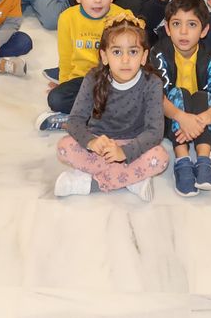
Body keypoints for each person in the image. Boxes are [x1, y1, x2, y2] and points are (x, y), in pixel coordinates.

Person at [53, 21, 169, 200]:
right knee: (63, 147)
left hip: (133, 144)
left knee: (160, 158)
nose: (125, 60)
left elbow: (155, 132)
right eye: (116, 52)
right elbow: (75, 120)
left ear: (144, 56)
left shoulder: (153, 83)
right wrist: (91, 142)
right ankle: (131, 179)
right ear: (104, 56)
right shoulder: (93, 78)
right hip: (100, 144)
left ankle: (91, 183)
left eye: (133, 52)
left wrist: (124, 152)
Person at [39, 0, 140, 129]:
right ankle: (105, 117)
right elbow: (65, 57)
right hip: (82, 80)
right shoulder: (67, 18)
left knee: (131, 100)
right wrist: (64, 84)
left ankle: (81, 118)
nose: (98, 1)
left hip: (113, 79)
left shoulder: (122, 17)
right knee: (56, 99)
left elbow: (134, 53)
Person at [146, 0, 211, 196]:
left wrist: (200, 121)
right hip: (169, 115)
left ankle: (204, 161)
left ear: (204, 30)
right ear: (167, 28)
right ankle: (182, 160)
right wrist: (183, 118)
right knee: (178, 93)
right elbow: (158, 98)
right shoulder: (158, 53)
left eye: (192, 24)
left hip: (201, 116)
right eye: (176, 24)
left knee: (202, 96)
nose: (183, 32)